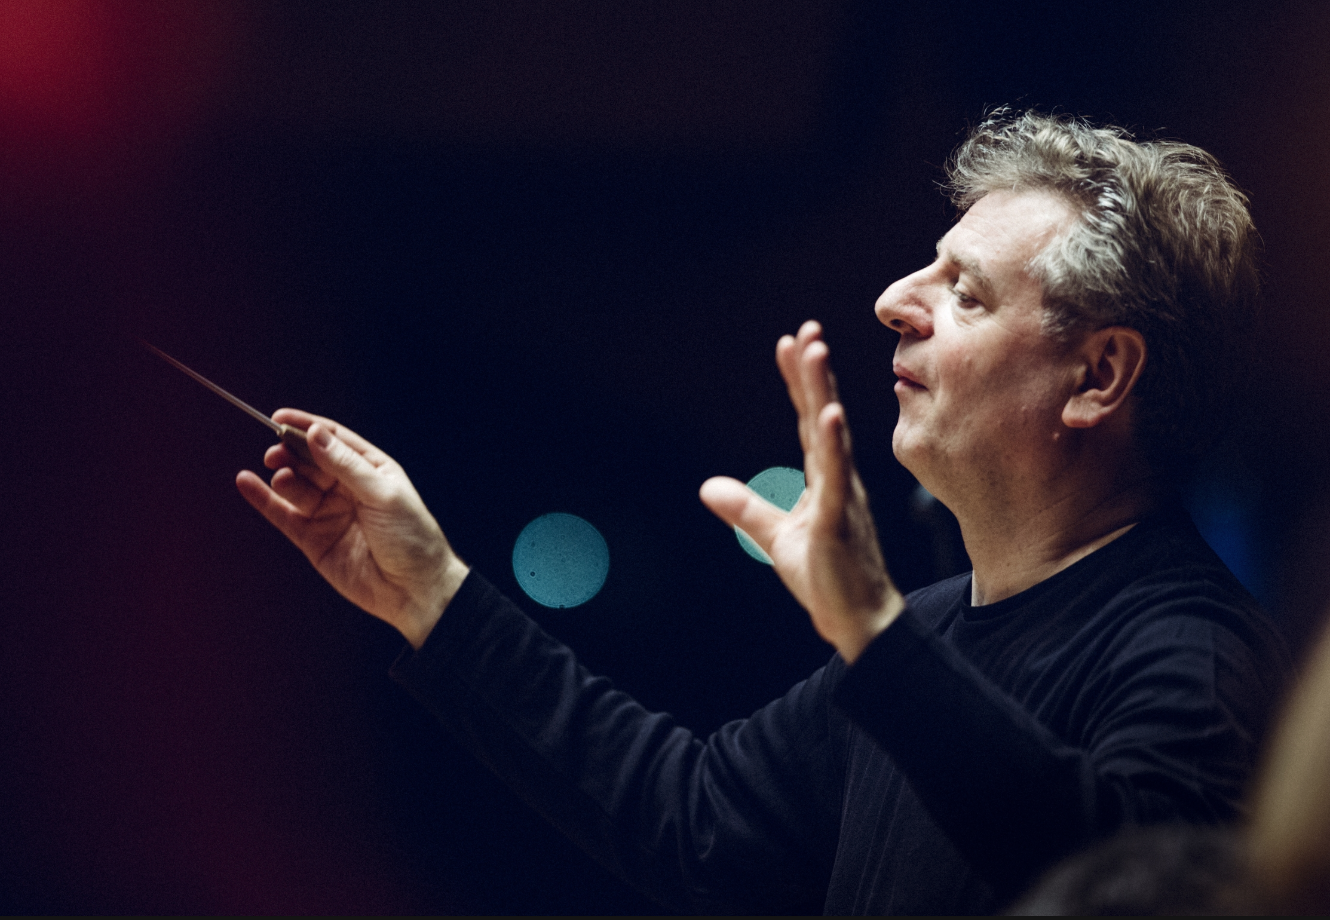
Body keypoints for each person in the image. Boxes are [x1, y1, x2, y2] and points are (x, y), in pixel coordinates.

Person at [235, 110, 1290, 914]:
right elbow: (690, 818)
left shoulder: (1191, 653)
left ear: (1098, 376)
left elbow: (1119, 885)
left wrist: (872, 631)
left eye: (965, 292)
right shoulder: (924, 634)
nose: (894, 299)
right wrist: (431, 591)